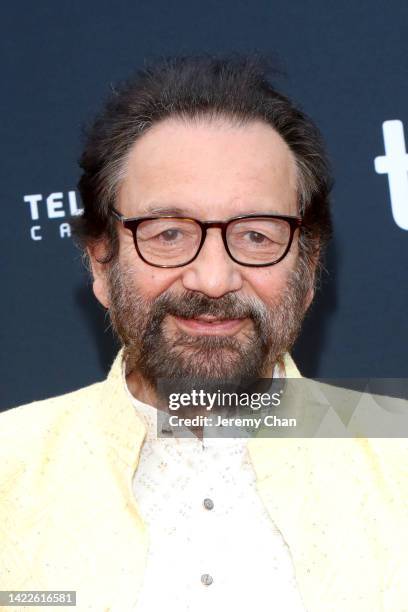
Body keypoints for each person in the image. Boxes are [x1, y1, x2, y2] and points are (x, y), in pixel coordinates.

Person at [0, 54, 406, 612]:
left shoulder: (397, 461)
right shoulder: (11, 466)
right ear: (99, 262)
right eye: (168, 234)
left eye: (258, 236)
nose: (213, 278)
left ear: (309, 270)